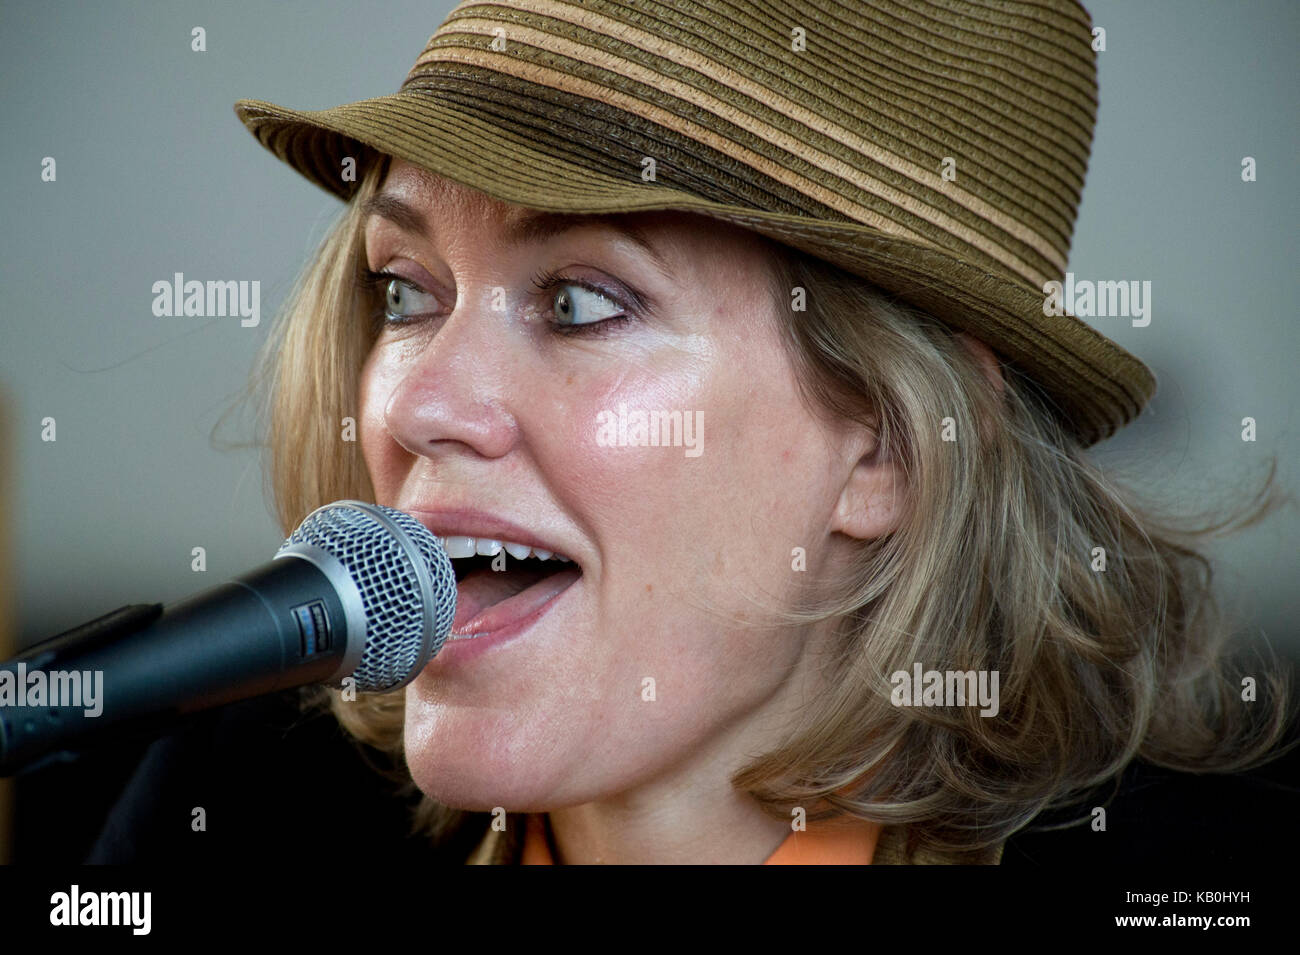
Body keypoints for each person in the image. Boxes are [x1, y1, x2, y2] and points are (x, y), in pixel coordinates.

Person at [95, 0, 1295, 866]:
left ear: (890, 443)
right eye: (407, 290)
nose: (415, 405)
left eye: (578, 303)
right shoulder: (231, 803)